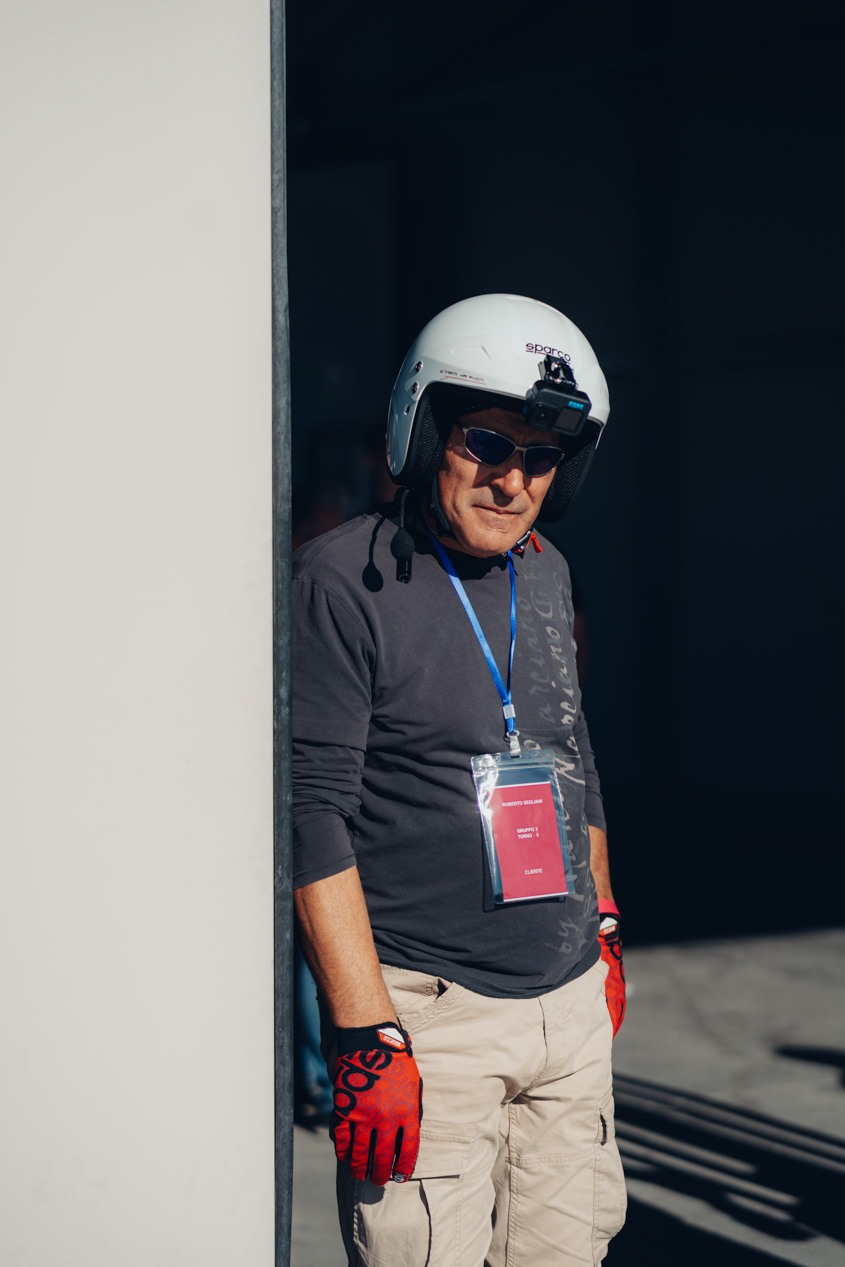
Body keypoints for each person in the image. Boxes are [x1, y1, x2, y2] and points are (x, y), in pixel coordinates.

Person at [292, 294, 627, 1266]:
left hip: (566, 1005)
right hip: (430, 1016)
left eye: (540, 457)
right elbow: (311, 814)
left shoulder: (545, 571)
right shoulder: (339, 581)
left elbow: (571, 757)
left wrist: (603, 923)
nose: (511, 479)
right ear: (425, 427)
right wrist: (366, 1030)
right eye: (486, 442)